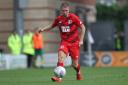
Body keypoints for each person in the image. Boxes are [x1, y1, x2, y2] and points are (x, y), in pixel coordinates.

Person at [38, 2, 86, 82]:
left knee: (74, 64)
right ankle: (59, 78)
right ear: (61, 11)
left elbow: (83, 27)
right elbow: (51, 25)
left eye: (66, 10)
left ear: (69, 10)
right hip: (65, 42)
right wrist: (43, 29)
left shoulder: (73, 17)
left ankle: (78, 72)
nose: (65, 12)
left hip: (74, 43)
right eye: (63, 11)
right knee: (60, 57)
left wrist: (81, 40)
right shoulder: (59, 19)